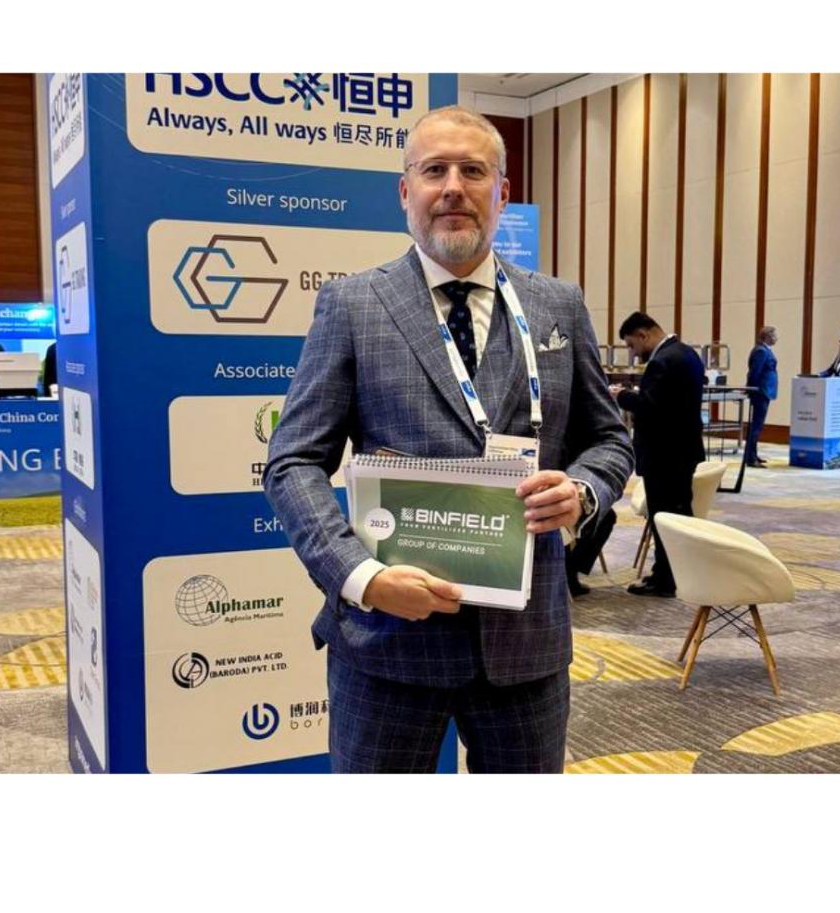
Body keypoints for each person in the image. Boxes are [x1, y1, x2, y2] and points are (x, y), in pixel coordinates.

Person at [264, 105, 633, 773]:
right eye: (434, 171)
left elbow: (610, 441)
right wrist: (361, 577)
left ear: (502, 193)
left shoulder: (558, 305)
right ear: (406, 191)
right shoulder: (353, 305)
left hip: (525, 647)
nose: (453, 188)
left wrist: (582, 492)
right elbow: (293, 462)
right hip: (388, 641)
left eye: (473, 171)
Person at [613, 313, 706, 598]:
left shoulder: (663, 361)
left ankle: (664, 579)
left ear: (643, 335)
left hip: (664, 455)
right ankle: (682, 572)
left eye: (632, 345)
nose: (633, 352)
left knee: (664, 519)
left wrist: (621, 396)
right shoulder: (687, 353)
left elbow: (651, 407)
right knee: (680, 516)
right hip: (682, 451)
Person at [744, 325, 779, 467]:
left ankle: (753, 455)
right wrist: (753, 389)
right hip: (761, 392)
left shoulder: (765, 350)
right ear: (767, 336)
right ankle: (750, 458)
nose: (777, 338)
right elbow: (755, 373)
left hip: (765, 391)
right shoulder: (761, 351)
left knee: (757, 426)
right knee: (756, 426)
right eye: (775, 335)